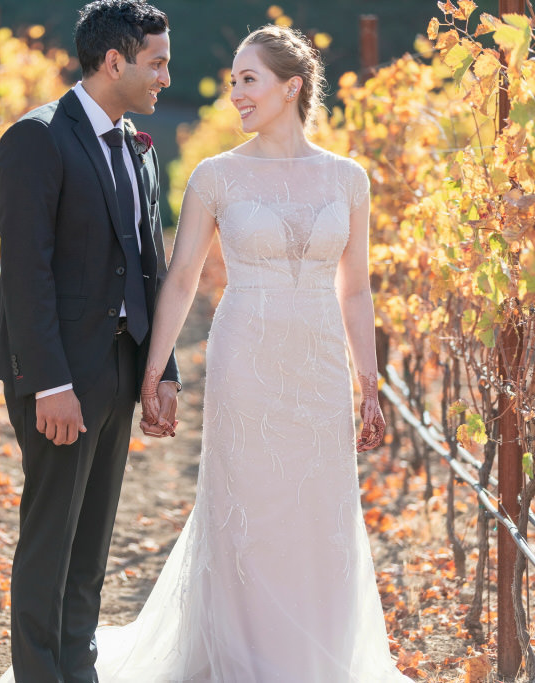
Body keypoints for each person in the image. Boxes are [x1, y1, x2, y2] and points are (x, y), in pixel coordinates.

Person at [74, 24, 414, 681]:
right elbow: (179, 281)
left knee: (319, 513)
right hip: (245, 362)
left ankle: (311, 660)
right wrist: (154, 372)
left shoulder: (348, 178)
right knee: (250, 509)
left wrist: (369, 383)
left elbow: (355, 291)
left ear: (292, 87)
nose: (235, 94)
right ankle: (245, 658)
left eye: (248, 79)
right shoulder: (216, 176)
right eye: (232, 81)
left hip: (319, 368)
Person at [0, 2, 181, 681]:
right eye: (156, 63)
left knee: (91, 541)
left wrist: (162, 371)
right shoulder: (36, 139)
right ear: (114, 61)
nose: (165, 78)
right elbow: (26, 274)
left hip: (120, 370)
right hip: (58, 375)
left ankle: (78, 669)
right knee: (50, 539)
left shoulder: (135, 146)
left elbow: (151, 265)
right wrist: (50, 384)